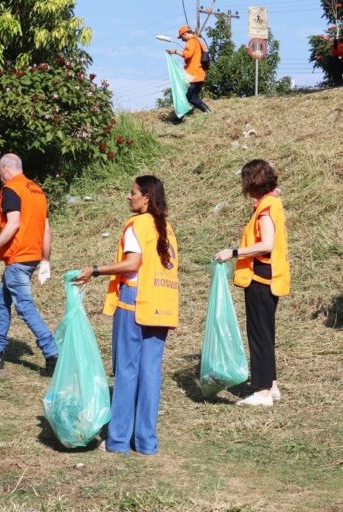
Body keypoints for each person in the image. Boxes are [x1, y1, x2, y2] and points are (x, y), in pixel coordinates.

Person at [74, 175, 179, 455]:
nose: (128, 197)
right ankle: (146, 442)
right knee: (150, 374)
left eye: (132, 193)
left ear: (146, 198)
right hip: (162, 305)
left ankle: (119, 440)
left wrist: (95, 270)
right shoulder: (167, 229)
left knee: (126, 372)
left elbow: (132, 263)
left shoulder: (136, 225)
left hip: (134, 301)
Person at [215, 159, 289, 406]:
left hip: (260, 277)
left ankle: (263, 391)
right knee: (265, 332)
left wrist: (233, 252)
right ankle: (271, 384)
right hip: (269, 276)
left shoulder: (266, 208)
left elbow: (267, 244)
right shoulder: (271, 203)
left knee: (259, 333)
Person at [0, 153, 58, 376]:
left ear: (4, 169)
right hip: (31, 257)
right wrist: (45, 259)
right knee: (2, 304)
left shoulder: (11, 189)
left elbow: (12, 225)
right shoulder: (37, 191)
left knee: (25, 308)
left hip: (18, 259)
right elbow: (46, 229)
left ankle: (52, 355)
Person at [167, 25, 211, 114]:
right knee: (192, 96)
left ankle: (206, 111)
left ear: (185, 34)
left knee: (190, 97)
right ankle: (206, 111)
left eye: (182, 37)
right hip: (199, 74)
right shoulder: (197, 40)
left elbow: (187, 54)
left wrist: (175, 52)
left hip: (194, 75)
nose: (182, 39)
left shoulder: (191, 41)